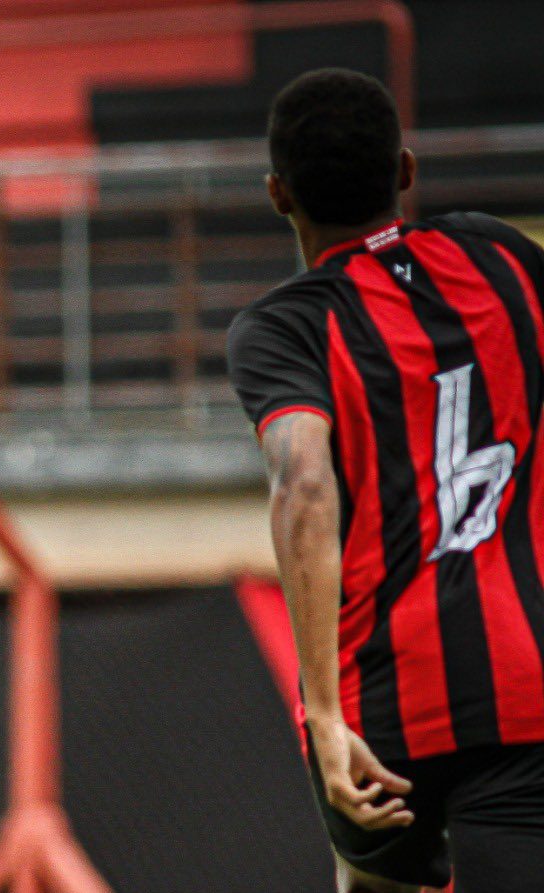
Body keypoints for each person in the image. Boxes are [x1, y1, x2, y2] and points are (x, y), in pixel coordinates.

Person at [228, 68, 544, 892]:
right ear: (405, 170)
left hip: (379, 711)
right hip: (525, 686)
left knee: (374, 875)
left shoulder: (284, 327)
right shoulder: (504, 255)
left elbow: (302, 481)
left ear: (276, 194)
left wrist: (323, 715)